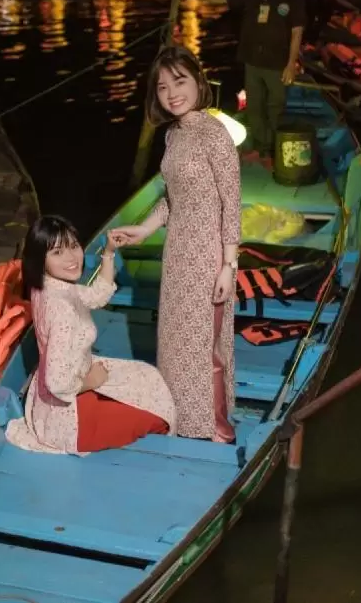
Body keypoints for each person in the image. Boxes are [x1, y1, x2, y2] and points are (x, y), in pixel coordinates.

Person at [111, 46, 241, 443]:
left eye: (179, 82)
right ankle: (183, 418)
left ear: (199, 82)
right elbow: (173, 197)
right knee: (176, 341)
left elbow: (231, 200)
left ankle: (218, 429)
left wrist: (228, 265)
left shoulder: (214, 132)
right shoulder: (173, 135)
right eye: (163, 86)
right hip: (179, 252)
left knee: (205, 345)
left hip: (208, 253)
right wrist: (144, 229)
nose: (171, 93)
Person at [4, 215, 175, 455]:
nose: (71, 258)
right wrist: (91, 382)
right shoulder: (63, 309)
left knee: (148, 377)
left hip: (48, 407)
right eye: (57, 253)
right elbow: (58, 383)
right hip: (72, 421)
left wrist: (108, 252)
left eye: (74, 246)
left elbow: (96, 296)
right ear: (40, 260)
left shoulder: (47, 286)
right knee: (160, 416)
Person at [174, 0, 305, 160]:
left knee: (275, 107)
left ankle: (272, 151)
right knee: (254, 108)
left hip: (277, 63)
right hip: (252, 60)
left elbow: (297, 31)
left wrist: (291, 64)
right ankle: (262, 148)